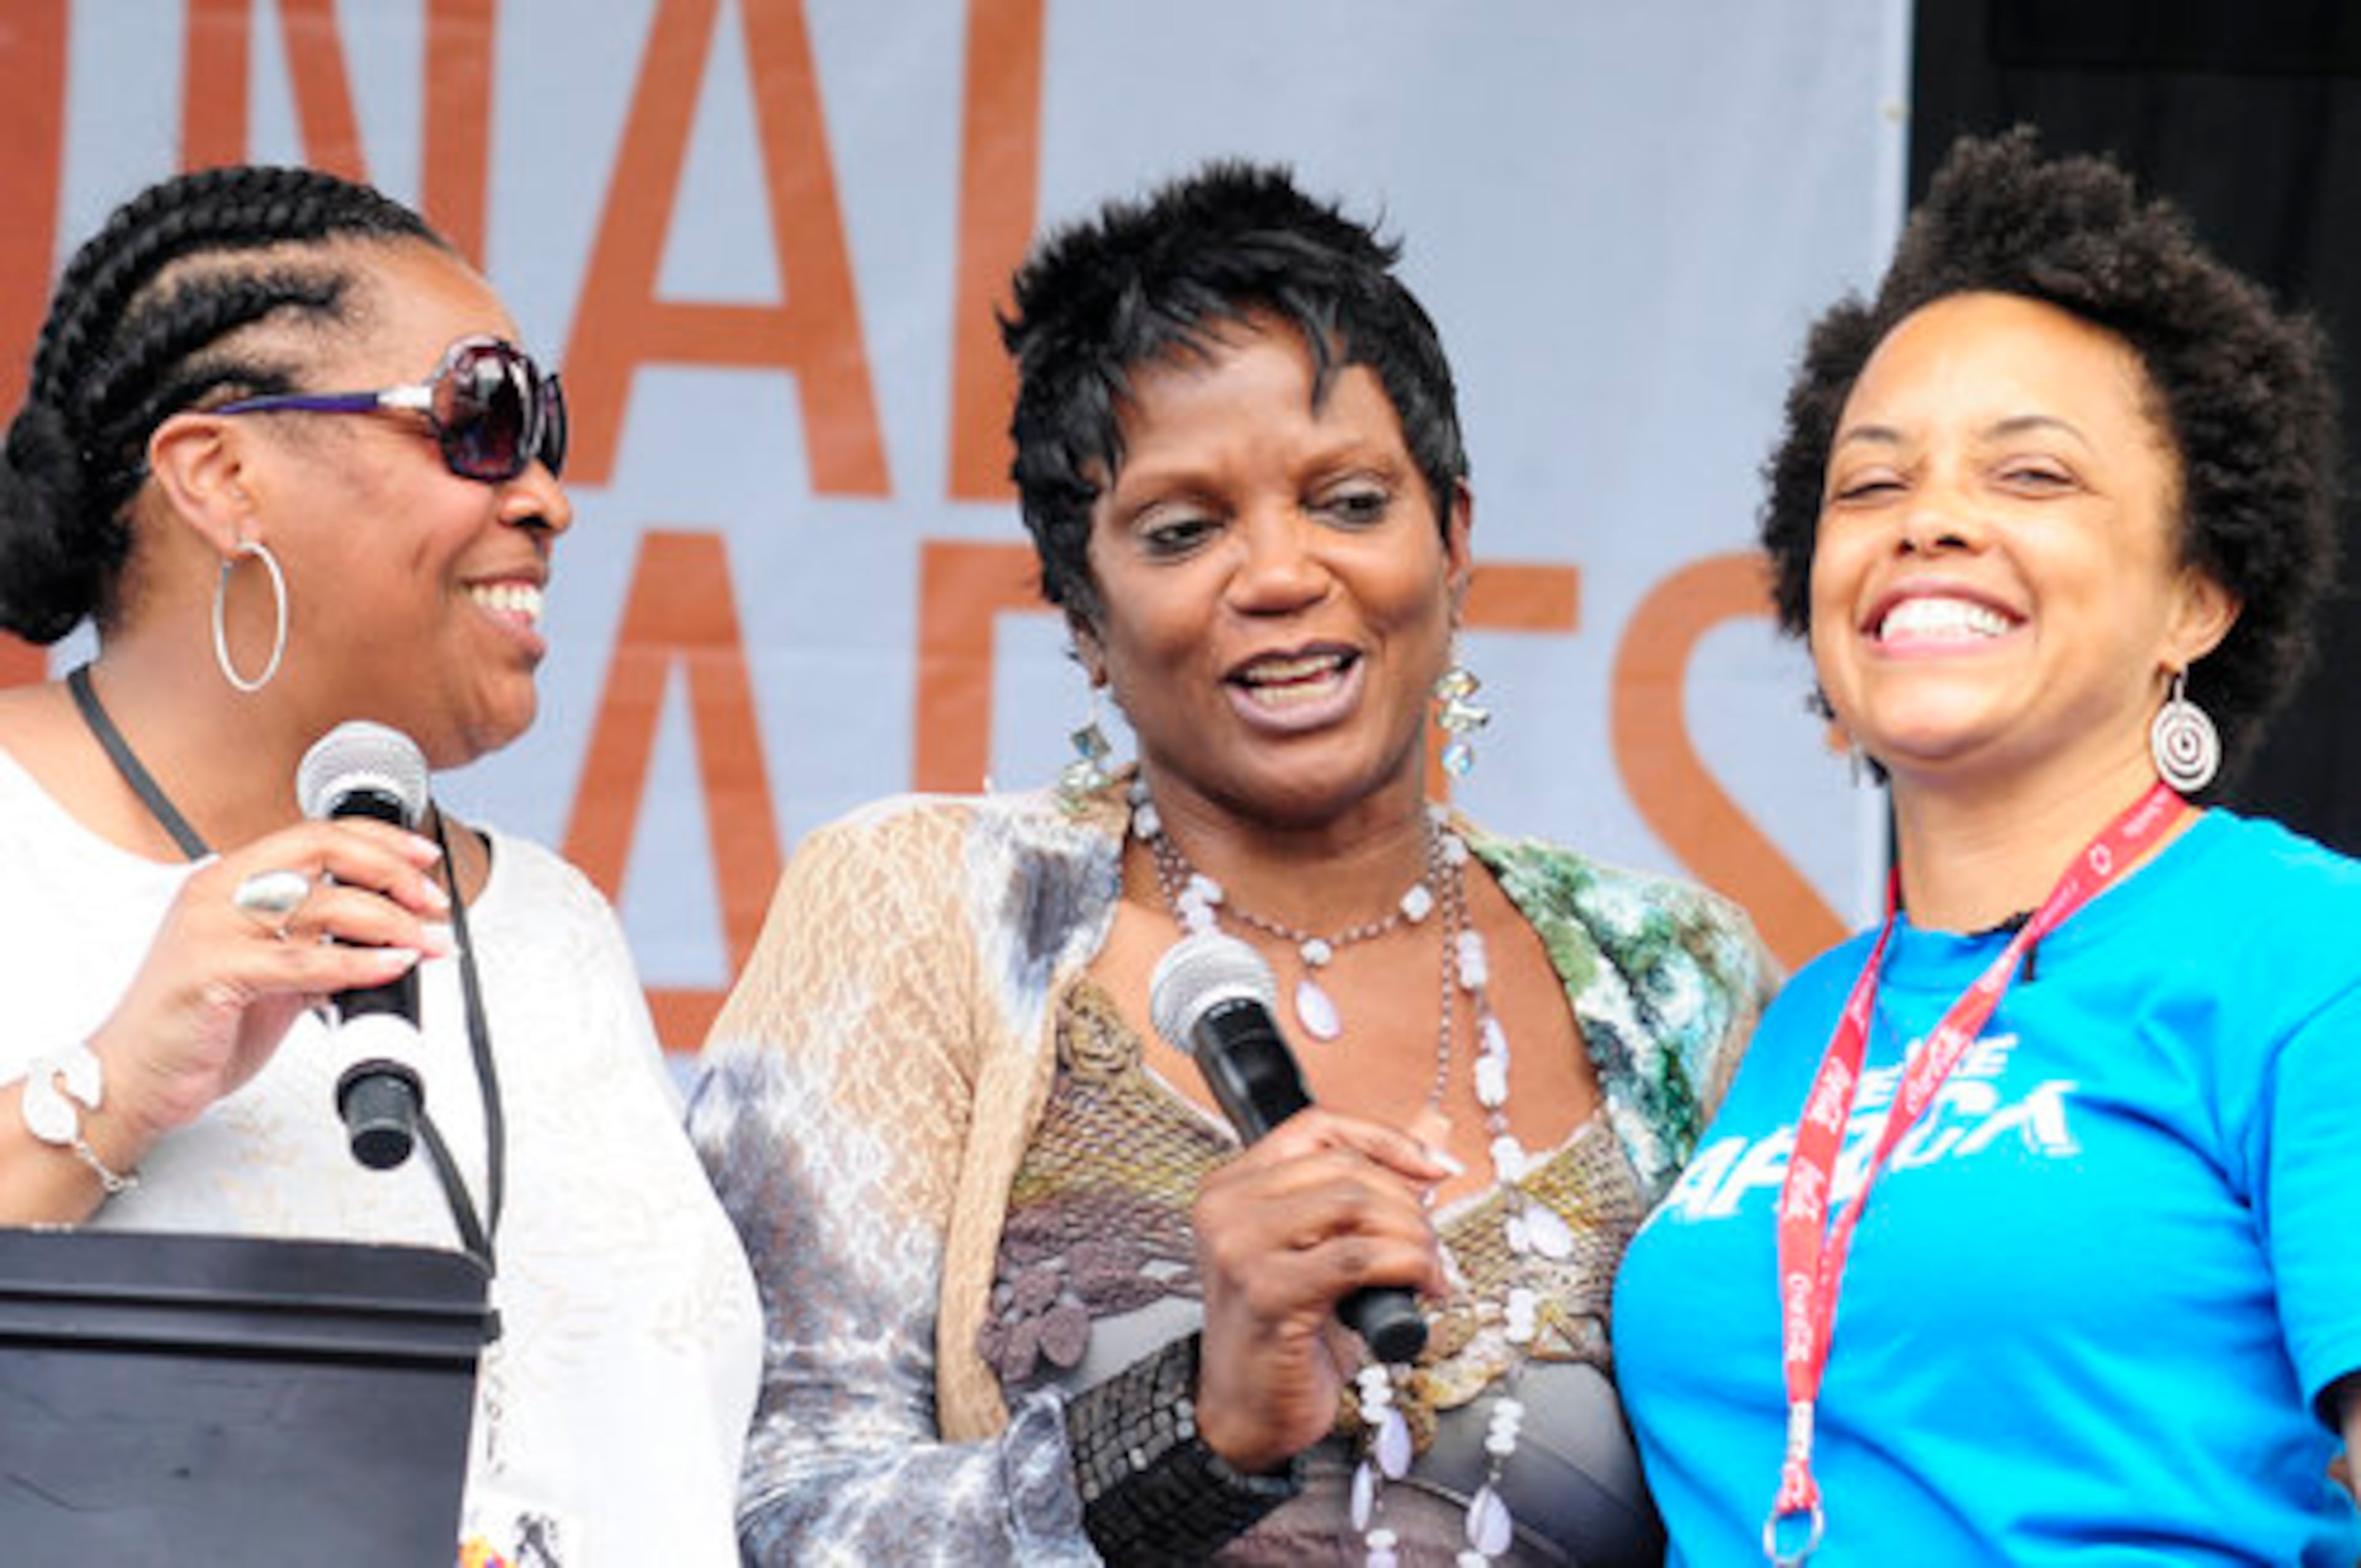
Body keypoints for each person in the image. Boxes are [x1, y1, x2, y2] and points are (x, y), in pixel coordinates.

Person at [690, 160, 1776, 1564]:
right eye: (1183, 530)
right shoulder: (925, 909)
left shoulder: (1678, 977)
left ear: (1453, 542)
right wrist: (1190, 1427)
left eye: (1347, 502)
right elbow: (760, 1515)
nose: (1276, 572)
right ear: (1083, 612)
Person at [1614, 128, 2361, 1565]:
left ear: (2198, 599)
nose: (1933, 521)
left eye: (2031, 477)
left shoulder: (2308, 960)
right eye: (1871, 486)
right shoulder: (1797, 1023)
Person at [0, 165, 759, 1567]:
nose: (547, 497)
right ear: (222, 478)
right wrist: (104, 1090)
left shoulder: (549, 927)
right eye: (480, 419)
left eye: (550, 433)